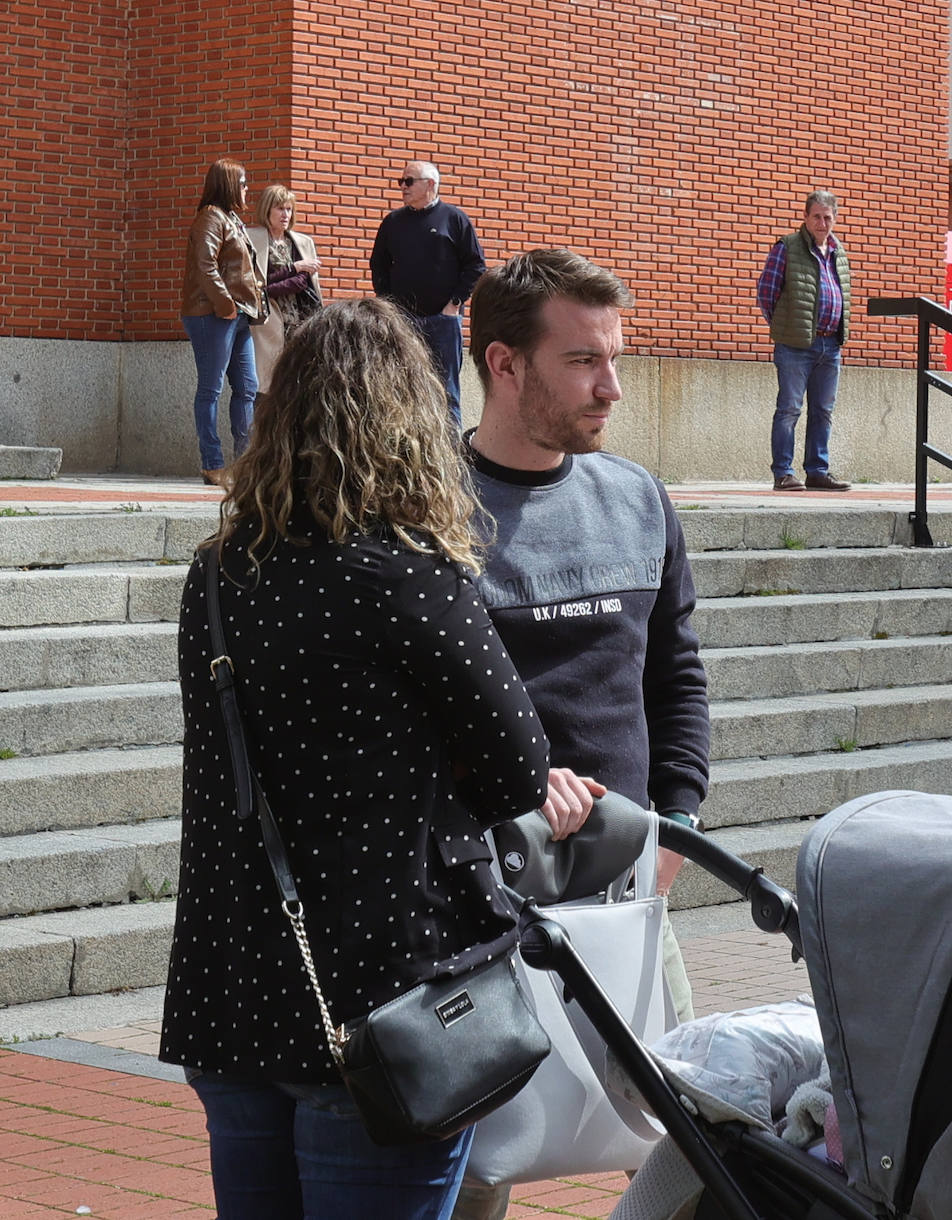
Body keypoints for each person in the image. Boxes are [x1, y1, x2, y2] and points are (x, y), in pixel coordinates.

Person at [159, 298, 551, 1218]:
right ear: (408, 424)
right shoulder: (408, 572)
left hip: (236, 985)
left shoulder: (217, 573)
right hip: (377, 995)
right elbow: (519, 769)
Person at [456, 248, 711, 1220]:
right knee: (479, 1164)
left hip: (627, 886)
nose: (611, 385)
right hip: (475, 904)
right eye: (581, 361)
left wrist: (676, 821)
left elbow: (675, 674)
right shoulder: (428, 509)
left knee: (691, 1135)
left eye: (616, 357)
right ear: (505, 363)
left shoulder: (638, 498)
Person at [369, 160, 486, 427]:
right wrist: (388, 305)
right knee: (402, 386)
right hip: (402, 322)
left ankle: (452, 457)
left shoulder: (454, 219)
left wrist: (454, 304)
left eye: (409, 181)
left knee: (447, 393)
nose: (403, 187)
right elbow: (378, 265)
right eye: (401, 181)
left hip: (443, 321)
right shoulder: (393, 222)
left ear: (430, 184)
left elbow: (476, 265)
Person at [757, 189, 852, 491]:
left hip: (830, 345)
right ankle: (783, 472)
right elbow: (766, 292)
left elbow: (842, 294)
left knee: (823, 411)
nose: (822, 223)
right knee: (789, 409)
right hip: (796, 345)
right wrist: (785, 326)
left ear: (834, 219)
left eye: (827, 217)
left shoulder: (838, 251)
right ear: (806, 217)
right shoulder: (788, 247)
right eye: (816, 217)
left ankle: (817, 471)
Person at [180, 157, 266, 486]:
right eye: (243, 184)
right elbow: (205, 266)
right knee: (210, 389)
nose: (247, 191)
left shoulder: (231, 219)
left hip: (239, 314)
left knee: (247, 388)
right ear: (229, 185)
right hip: (212, 314)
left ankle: (244, 464)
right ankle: (212, 464)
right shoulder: (210, 219)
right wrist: (225, 304)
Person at [246, 184, 323, 394]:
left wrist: (290, 278)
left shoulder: (302, 242)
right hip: (268, 322)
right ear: (267, 209)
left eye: (289, 209)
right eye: (280, 208)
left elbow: (304, 283)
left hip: (299, 323)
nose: (286, 214)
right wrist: (295, 268)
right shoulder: (252, 239)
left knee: (298, 386)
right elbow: (259, 286)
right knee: (267, 386)